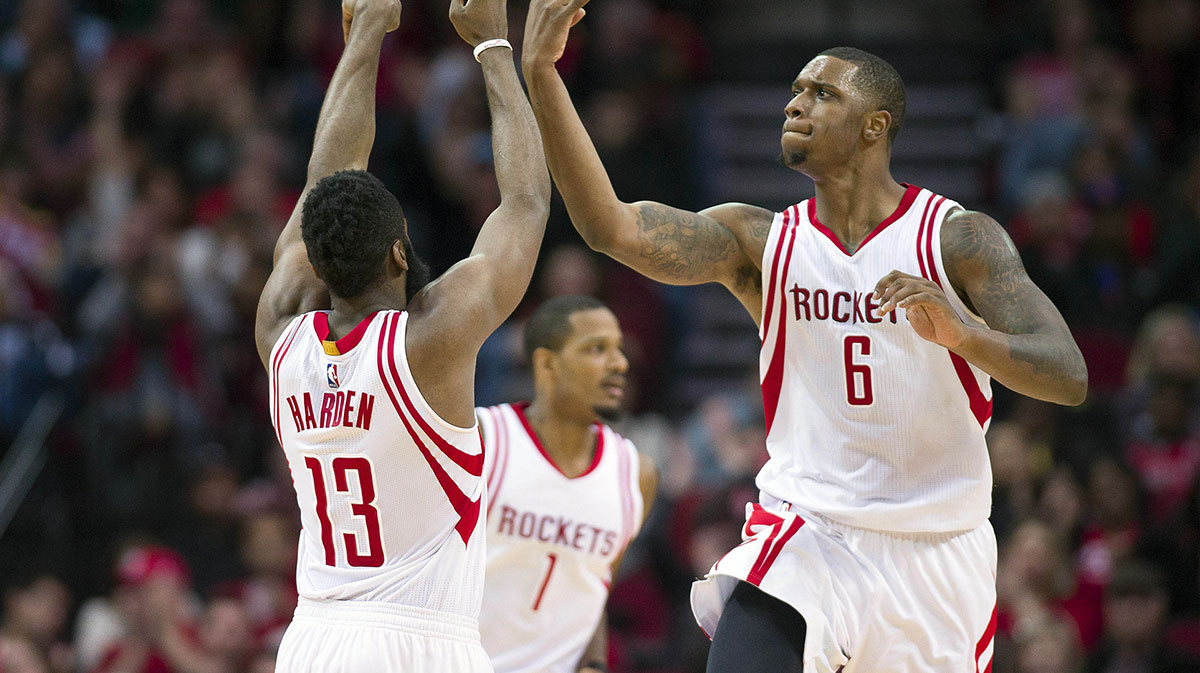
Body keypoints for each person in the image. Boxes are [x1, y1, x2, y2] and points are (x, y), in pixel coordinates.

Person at [520, 3, 1088, 671]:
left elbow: (1067, 373)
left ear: (876, 126)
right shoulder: (760, 241)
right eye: (795, 91)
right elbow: (609, 228)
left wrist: (966, 335)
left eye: (822, 93)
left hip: (937, 550)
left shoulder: (956, 239)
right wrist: (542, 75)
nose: (796, 103)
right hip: (808, 530)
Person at [253, 0, 550, 669]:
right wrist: (492, 49)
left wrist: (364, 30)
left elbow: (323, 183)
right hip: (421, 640)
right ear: (397, 253)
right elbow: (526, 203)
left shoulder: (280, 336)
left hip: (312, 641)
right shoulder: (428, 341)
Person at [475, 295, 658, 673]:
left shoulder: (635, 473)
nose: (619, 363)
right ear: (547, 363)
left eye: (619, 349)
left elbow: (592, 590)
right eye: (596, 349)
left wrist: (593, 663)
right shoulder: (485, 439)